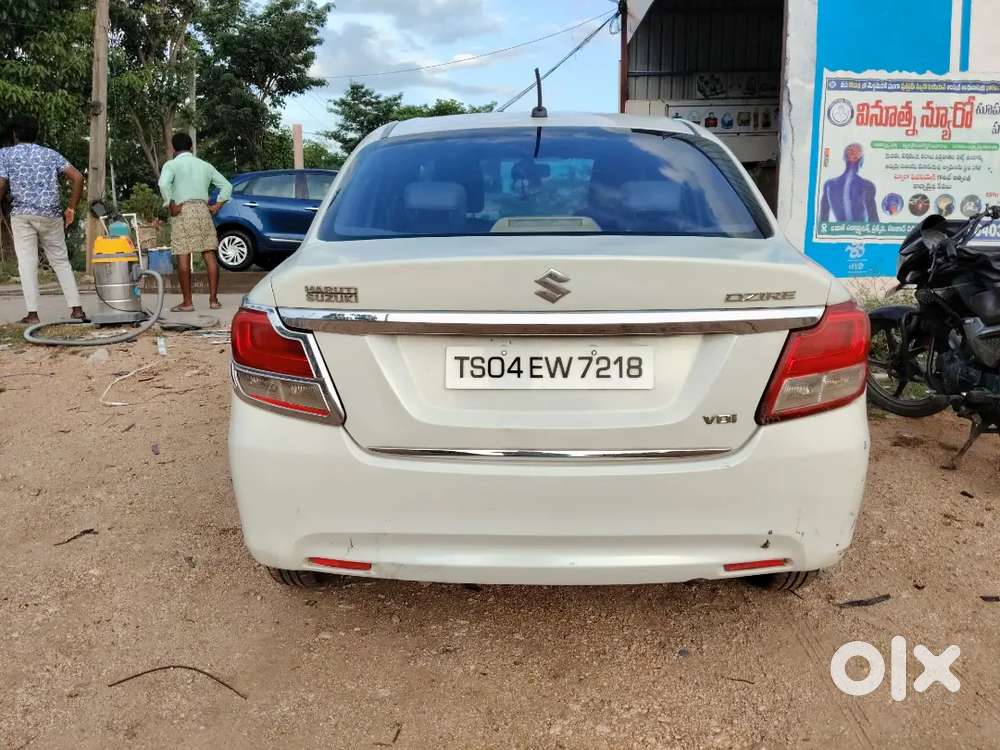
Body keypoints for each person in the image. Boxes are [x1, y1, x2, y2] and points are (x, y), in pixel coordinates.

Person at [0, 115, 85, 324]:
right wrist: (71, 208)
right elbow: (78, 177)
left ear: (14, 134)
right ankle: (76, 310)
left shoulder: (5, 154)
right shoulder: (50, 154)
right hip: (51, 214)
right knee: (61, 261)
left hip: (22, 214)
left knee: (27, 263)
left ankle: (32, 314)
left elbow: (1, 185)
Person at [157, 133, 232, 311]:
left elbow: (163, 184)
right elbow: (227, 185)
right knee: (209, 254)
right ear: (191, 147)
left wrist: (170, 203)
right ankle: (213, 301)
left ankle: (187, 303)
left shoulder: (171, 165)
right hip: (203, 209)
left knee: (183, 253)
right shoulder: (205, 165)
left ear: (174, 149)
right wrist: (217, 205)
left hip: (183, 210)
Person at [819, 143, 879, 223]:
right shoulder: (829, 185)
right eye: (851, 149)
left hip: (858, 232)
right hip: (842, 232)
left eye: (857, 150)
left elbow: (874, 220)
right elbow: (823, 220)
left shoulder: (867, 185)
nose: (853, 151)